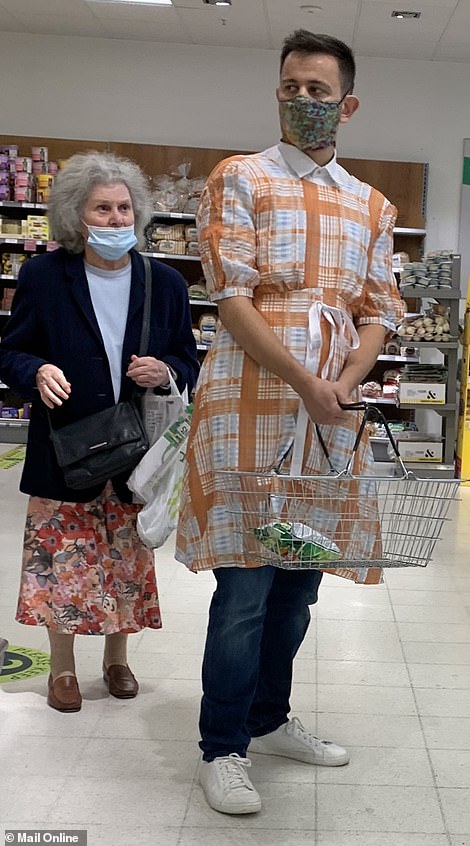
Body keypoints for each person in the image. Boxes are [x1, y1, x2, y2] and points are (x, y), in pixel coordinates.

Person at [176, 29, 404, 814]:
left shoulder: (371, 204)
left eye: (317, 90)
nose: (301, 100)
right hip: (250, 403)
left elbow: (378, 309)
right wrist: (306, 379)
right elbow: (231, 298)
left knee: (298, 587)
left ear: (348, 104)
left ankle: (269, 719)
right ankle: (223, 745)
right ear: (277, 92)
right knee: (245, 587)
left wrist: (340, 382)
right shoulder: (239, 179)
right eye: (290, 87)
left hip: (326, 417)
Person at [0, 151, 199, 713]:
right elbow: (10, 352)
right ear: (75, 216)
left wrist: (167, 371)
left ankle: (117, 660)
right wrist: (35, 371)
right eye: (103, 209)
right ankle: (61, 671)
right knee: (58, 558)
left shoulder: (164, 282)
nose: (116, 219)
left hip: (137, 447)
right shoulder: (43, 276)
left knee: (129, 559)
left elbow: (188, 357)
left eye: (124, 208)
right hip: (65, 445)